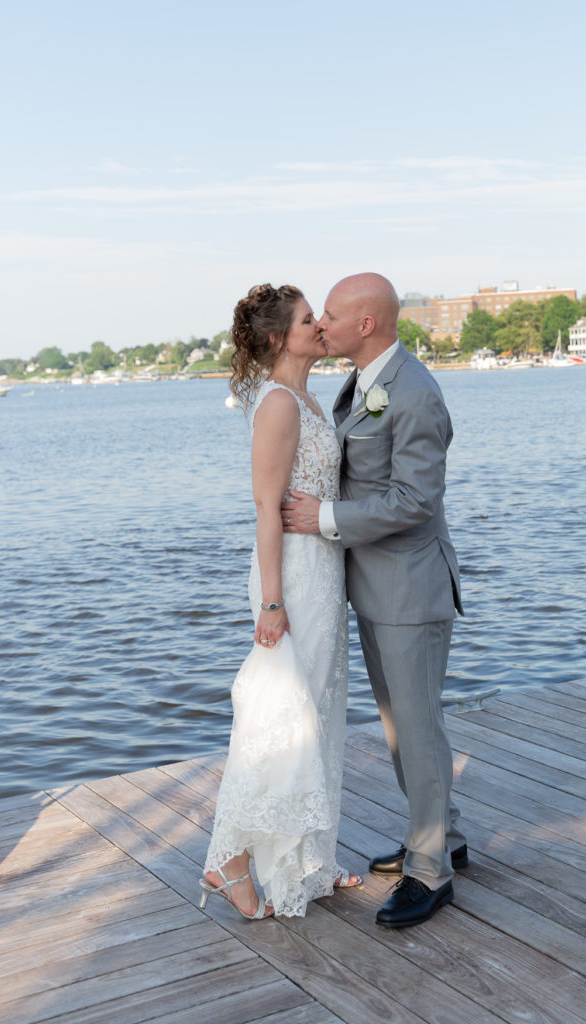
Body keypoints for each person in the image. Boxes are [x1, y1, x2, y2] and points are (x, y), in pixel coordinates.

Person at [281, 272, 466, 929]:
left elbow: (416, 501)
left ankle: (429, 872)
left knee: (414, 728)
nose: (321, 323)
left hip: (410, 589)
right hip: (375, 586)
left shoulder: (413, 392)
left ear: (366, 325)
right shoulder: (364, 380)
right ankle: (442, 833)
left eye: (330, 314)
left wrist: (324, 518)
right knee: (402, 727)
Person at [200, 283, 361, 921]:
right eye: (305, 320)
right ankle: (230, 860)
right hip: (289, 578)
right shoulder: (278, 405)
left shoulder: (309, 398)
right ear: (277, 339)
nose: (320, 325)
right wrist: (272, 602)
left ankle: (307, 862)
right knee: (281, 718)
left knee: (316, 713)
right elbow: (266, 509)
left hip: (322, 570)